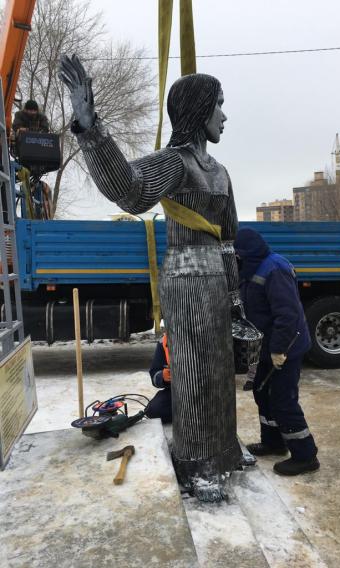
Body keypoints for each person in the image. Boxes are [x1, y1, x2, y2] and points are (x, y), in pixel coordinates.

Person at [59, 55, 243, 501]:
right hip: (185, 281)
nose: (225, 114)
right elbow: (130, 189)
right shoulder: (176, 163)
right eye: (218, 104)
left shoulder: (219, 172)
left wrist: (237, 302)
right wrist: (90, 129)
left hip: (218, 280)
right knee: (195, 372)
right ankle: (199, 463)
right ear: (199, 111)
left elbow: (229, 241)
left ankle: (224, 450)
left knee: (221, 372)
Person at [235, 228, 319, 476]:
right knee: (262, 393)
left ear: (246, 253)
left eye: (237, 256)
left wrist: (279, 350)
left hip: (285, 348)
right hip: (263, 347)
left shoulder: (275, 269)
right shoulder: (250, 269)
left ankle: (305, 455)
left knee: (283, 400)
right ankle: (274, 442)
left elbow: (288, 315)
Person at [144, 335, 172, 423]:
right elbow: (154, 374)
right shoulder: (164, 341)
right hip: (177, 392)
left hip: (210, 390)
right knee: (153, 410)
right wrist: (162, 376)